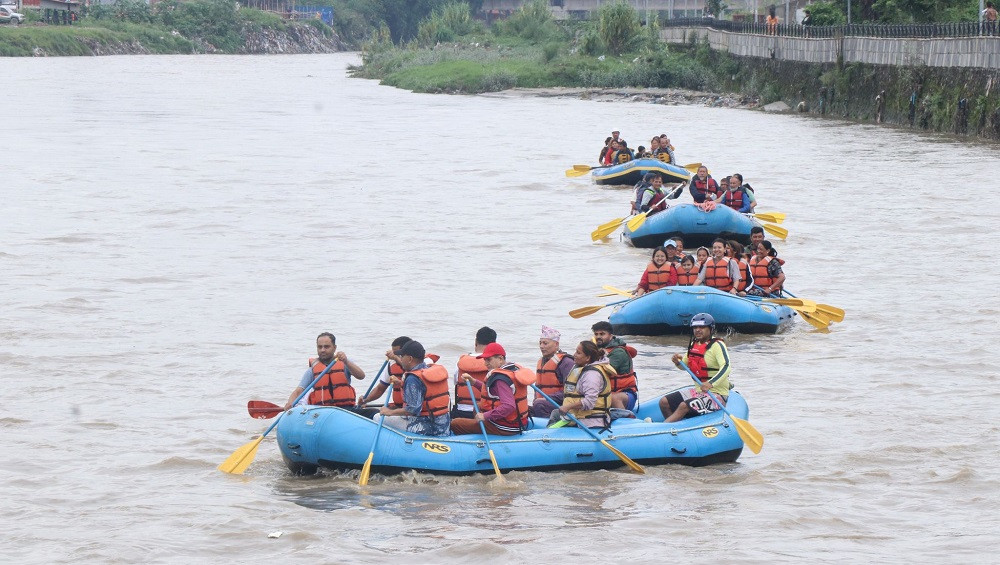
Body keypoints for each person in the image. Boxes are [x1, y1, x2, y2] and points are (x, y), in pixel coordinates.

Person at [659, 313, 732, 422]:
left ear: (710, 329)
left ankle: (663, 429)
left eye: (702, 327)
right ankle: (675, 429)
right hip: (699, 391)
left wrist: (710, 383)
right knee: (664, 402)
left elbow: (726, 367)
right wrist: (678, 362)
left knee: (683, 406)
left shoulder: (717, 345)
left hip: (717, 394)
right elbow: (685, 366)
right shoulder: (694, 344)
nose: (698, 330)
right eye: (695, 327)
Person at [451, 343, 535, 435]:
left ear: (500, 359)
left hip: (505, 427)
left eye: (489, 360)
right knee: (478, 406)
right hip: (517, 422)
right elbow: (493, 392)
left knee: (456, 423)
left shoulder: (501, 380)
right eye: (485, 360)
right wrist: (474, 382)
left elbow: (509, 406)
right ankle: (479, 431)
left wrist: (485, 416)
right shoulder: (513, 370)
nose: (485, 363)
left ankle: (475, 441)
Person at [377, 340, 451, 436]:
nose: (401, 359)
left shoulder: (413, 379)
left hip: (427, 427)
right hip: (443, 425)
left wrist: (390, 412)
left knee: (377, 417)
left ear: (410, 359)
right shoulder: (428, 370)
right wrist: (400, 383)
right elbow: (423, 390)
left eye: (402, 356)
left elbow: (413, 410)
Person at [283, 332, 367, 411]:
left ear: (334, 348)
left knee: (372, 412)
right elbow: (298, 391)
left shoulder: (345, 363)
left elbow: (361, 376)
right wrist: (290, 403)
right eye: (320, 347)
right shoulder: (312, 370)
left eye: (326, 347)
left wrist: (346, 361)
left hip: (345, 409)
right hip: (322, 412)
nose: (322, 350)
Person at [547, 340, 614, 429]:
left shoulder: (592, 375)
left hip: (590, 421)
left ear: (587, 358)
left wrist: (568, 407)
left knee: (553, 424)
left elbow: (590, 402)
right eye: (575, 351)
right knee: (555, 413)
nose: (574, 355)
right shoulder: (582, 369)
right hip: (575, 417)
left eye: (578, 353)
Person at [592, 321, 638, 412]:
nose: (598, 337)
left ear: (611, 335)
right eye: (596, 334)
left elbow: (603, 371)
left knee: (612, 398)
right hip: (605, 393)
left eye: (602, 334)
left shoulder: (618, 352)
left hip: (625, 394)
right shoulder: (597, 350)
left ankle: (628, 419)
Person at [531, 326, 576, 418]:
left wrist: (547, 399)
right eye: (540, 343)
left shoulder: (566, 362)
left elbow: (571, 391)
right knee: (522, 408)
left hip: (562, 404)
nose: (541, 346)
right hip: (544, 402)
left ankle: (549, 427)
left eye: (545, 343)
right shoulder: (542, 362)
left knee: (539, 404)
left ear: (556, 344)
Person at [452, 326, 497, 420]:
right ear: (494, 345)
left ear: (475, 342)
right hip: (484, 413)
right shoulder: (495, 363)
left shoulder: (460, 362)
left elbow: (456, 382)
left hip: (461, 412)